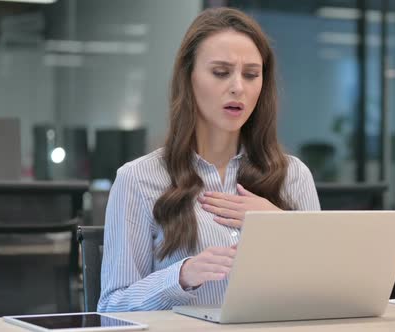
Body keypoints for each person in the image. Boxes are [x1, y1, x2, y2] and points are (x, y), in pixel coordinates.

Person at [97, 7, 320, 312]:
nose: (238, 87)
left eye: (252, 75)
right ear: (188, 79)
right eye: (220, 72)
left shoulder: (294, 176)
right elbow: (111, 307)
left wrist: (282, 228)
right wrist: (181, 277)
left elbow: (324, 292)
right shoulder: (138, 179)